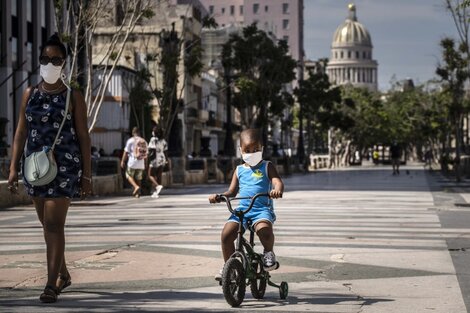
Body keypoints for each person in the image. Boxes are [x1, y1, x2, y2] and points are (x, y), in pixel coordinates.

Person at [8, 33, 92, 303]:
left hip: (65, 168)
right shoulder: (29, 93)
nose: (49, 63)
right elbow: (21, 132)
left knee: (54, 225)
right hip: (34, 168)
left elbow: (84, 137)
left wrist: (87, 175)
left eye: (55, 60)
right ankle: (64, 273)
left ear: (64, 63)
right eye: (45, 59)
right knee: (47, 225)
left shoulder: (74, 96)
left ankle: (51, 285)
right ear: (39, 61)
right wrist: (12, 169)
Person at [209, 129, 284, 279]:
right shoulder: (239, 170)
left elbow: (277, 181)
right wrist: (219, 196)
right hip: (242, 210)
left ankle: (268, 253)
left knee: (265, 231)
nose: (252, 152)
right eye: (247, 150)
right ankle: (228, 267)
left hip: (261, 209)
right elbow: (231, 192)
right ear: (240, 150)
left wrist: (277, 190)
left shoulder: (266, 166)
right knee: (226, 235)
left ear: (262, 148)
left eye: (256, 149)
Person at [121, 127, 147, 198]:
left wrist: (123, 161)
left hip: (132, 162)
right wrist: (145, 163)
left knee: (128, 175)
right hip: (141, 163)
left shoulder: (130, 140)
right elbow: (146, 153)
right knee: (138, 178)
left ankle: (136, 187)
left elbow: (126, 152)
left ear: (133, 133)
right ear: (139, 133)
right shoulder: (144, 141)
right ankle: (137, 193)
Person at [147, 126, 168, 198]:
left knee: (150, 175)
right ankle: (157, 193)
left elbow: (151, 149)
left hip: (155, 158)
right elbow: (165, 151)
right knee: (159, 176)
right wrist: (167, 160)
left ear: (155, 132)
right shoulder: (163, 141)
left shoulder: (153, 139)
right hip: (162, 158)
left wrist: (148, 156)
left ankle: (157, 186)